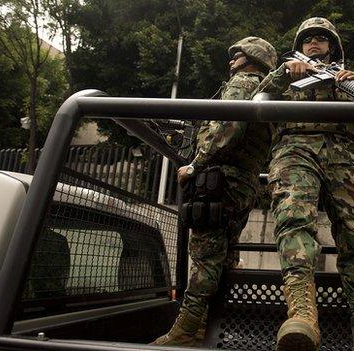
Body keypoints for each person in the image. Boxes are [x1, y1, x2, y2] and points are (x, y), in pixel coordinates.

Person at [256, 17, 354, 351]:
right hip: (296, 148)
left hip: (343, 154)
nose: (314, 43)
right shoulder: (286, 73)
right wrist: (285, 74)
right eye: (308, 39)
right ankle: (301, 314)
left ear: (333, 46)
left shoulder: (348, 79)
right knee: (294, 221)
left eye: (322, 39)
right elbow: (258, 101)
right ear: (300, 45)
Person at [151, 36, 277, 347]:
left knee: (206, 255)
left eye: (238, 54)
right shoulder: (266, 88)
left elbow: (226, 128)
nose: (232, 59)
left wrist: (195, 164)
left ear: (252, 58)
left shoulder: (243, 82)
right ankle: (207, 324)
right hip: (244, 183)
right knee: (224, 256)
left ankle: (186, 329)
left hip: (221, 179)